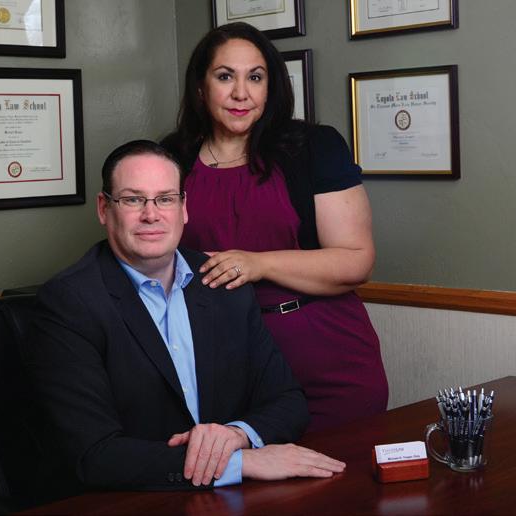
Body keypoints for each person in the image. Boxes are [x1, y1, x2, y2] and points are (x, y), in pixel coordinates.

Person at [24, 140, 345, 492]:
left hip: (228, 499)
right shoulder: (69, 303)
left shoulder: (220, 280)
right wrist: (241, 462)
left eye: (165, 199)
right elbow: (95, 455)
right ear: (104, 208)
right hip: (134, 500)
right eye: (132, 200)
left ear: (183, 207)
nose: (151, 214)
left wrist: (237, 435)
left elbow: (289, 401)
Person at [162, 22, 388, 431]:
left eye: (255, 77)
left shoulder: (314, 147)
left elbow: (357, 261)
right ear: (200, 87)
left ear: (271, 87)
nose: (241, 93)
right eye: (225, 76)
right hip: (218, 361)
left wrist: (257, 264)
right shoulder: (170, 157)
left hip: (325, 356)